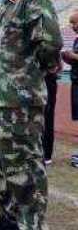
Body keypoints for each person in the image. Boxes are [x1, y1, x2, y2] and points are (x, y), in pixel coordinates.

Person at [0, 0, 62, 230]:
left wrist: (28, 75)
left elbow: (51, 43)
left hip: (21, 103)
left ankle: (32, 225)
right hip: (1, 100)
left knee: (24, 168)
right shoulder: (8, 1)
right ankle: (10, 218)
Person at [61, 11, 78, 168]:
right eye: (71, 23)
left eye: (75, 23)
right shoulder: (77, 39)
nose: (73, 27)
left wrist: (72, 56)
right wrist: (67, 57)